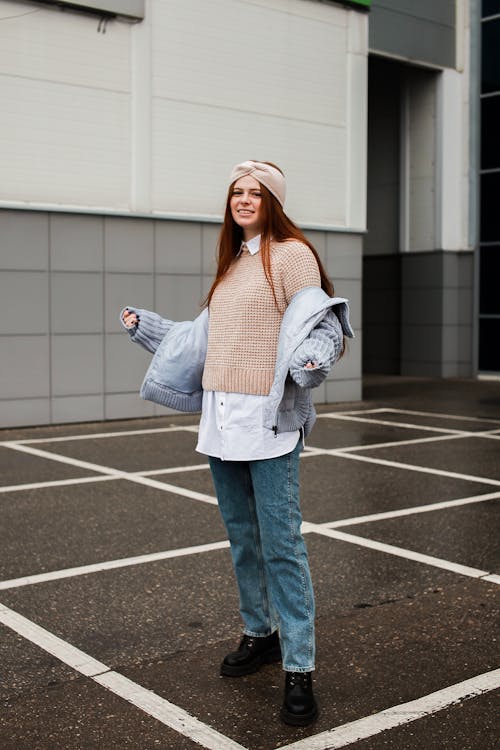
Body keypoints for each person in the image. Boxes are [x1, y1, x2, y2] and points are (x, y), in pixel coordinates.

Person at [121, 160, 353, 726]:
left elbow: (320, 322)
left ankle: (300, 666)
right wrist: (145, 326)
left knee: (281, 545)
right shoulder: (231, 265)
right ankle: (260, 632)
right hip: (221, 419)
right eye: (236, 192)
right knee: (243, 539)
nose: (244, 200)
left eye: (256, 193)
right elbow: (199, 338)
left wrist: (316, 358)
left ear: (272, 201)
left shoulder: (290, 253)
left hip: (268, 419)